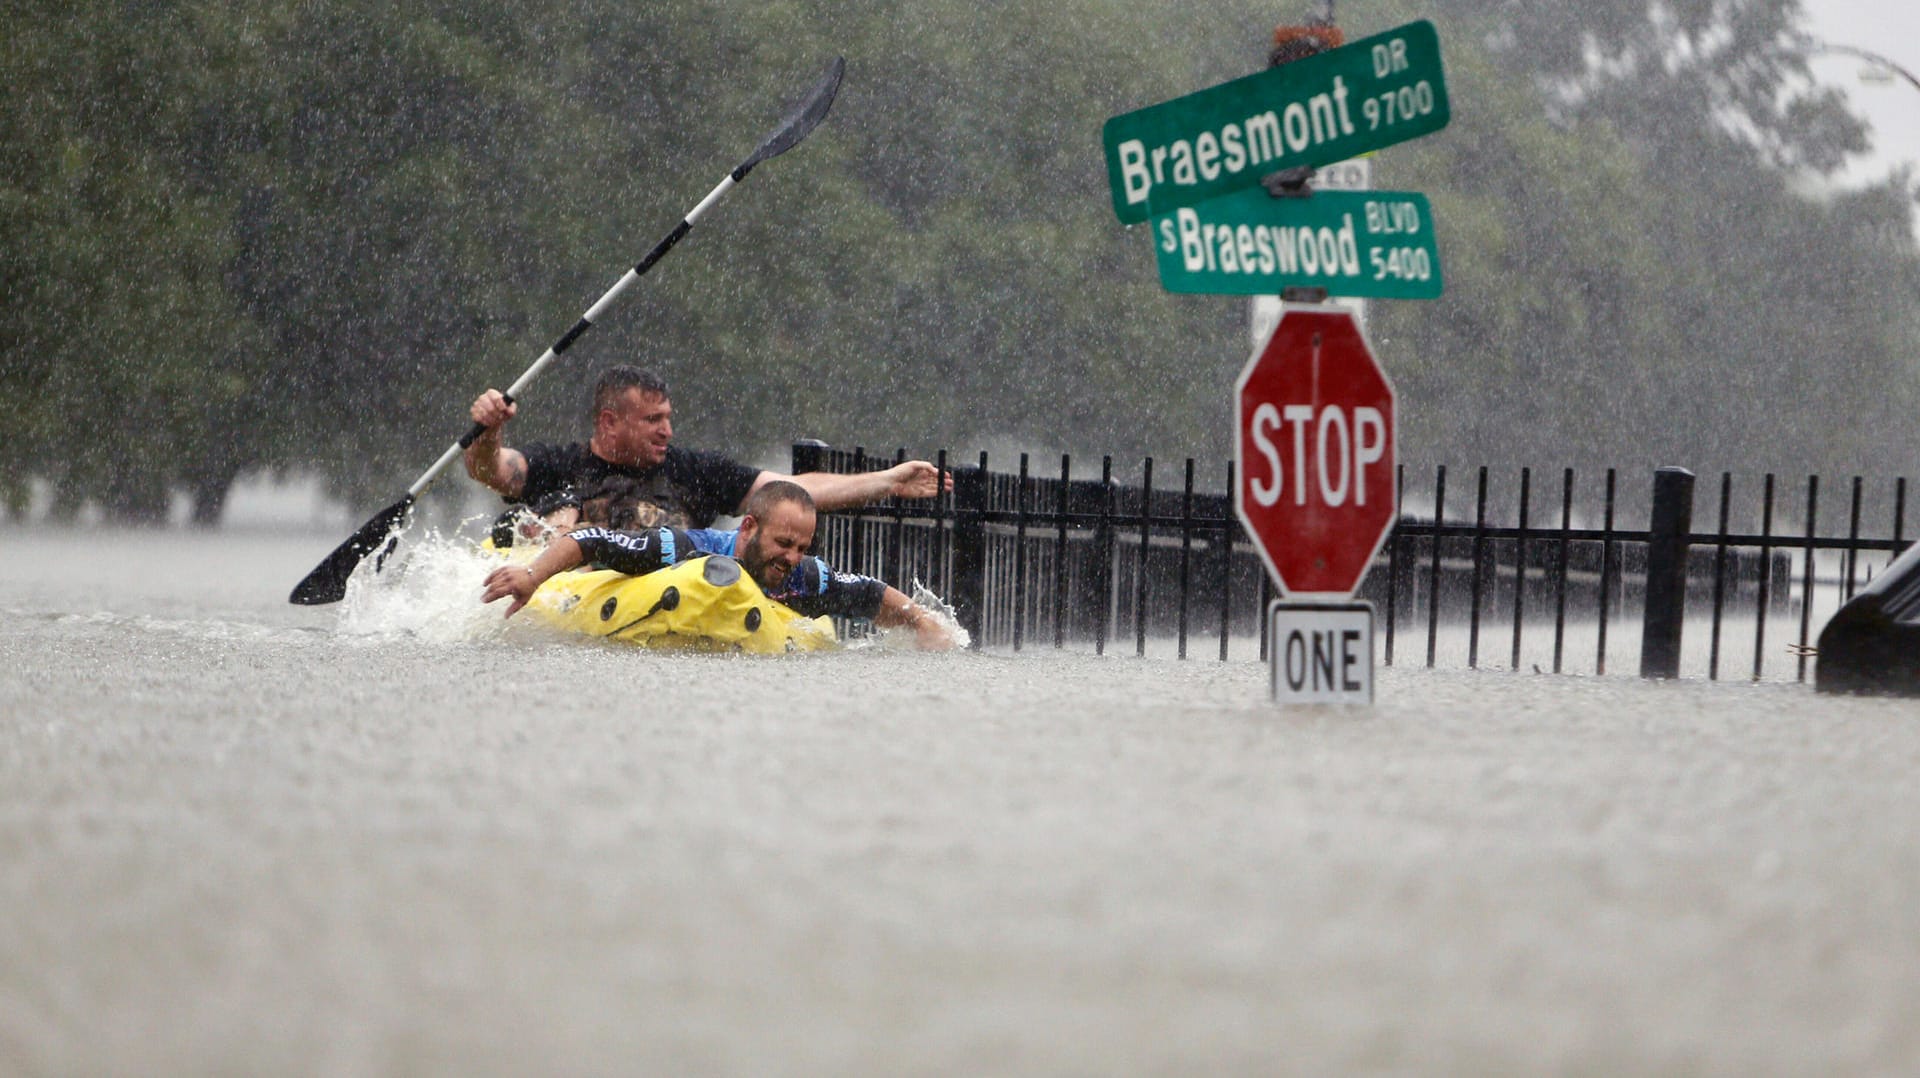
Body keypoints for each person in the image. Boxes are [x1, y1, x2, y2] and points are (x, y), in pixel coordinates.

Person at [465, 365, 950, 532]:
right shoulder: (559, 464)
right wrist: (488, 430)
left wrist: (888, 480)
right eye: (652, 420)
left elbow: (791, 489)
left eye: (669, 418)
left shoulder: (694, 470)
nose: (667, 431)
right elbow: (493, 470)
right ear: (610, 422)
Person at [480, 480, 956, 651]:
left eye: (802, 547)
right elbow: (592, 539)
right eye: (783, 542)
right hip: (610, 593)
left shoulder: (799, 574)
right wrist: (531, 577)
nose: (791, 557)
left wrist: (922, 622)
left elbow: (869, 593)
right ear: (748, 528)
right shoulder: (686, 546)